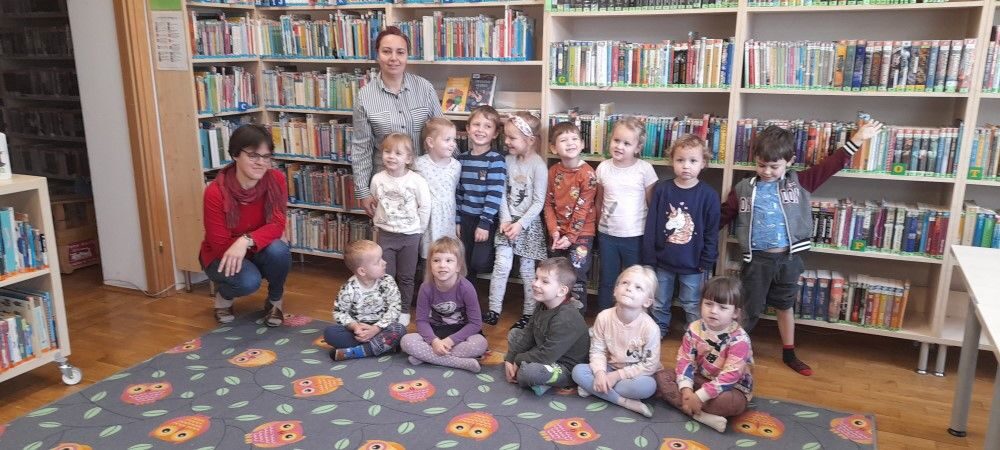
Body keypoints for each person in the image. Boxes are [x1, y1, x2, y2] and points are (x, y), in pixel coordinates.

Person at [720, 119, 883, 376]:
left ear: (789, 162)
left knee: (785, 305)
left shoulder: (800, 183)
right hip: (757, 261)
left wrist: (858, 138)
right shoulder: (743, 188)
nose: (767, 171)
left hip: (789, 259)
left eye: (774, 166)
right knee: (749, 309)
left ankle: (789, 353)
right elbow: (724, 215)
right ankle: (733, 351)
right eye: (761, 165)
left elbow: (832, 165)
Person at [200, 124, 290, 327]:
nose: (261, 163)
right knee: (249, 281)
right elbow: (219, 245)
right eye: (253, 156)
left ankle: (275, 301)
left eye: (266, 157)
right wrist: (252, 241)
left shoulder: (276, 179)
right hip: (222, 255)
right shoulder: (215, 192)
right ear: (235, 155)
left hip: (254, 248)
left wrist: (246, 240)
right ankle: (224, 296)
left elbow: (277, 224)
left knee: (279, 250)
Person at [351, 26, 443, 217]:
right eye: (386, 51)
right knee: (390, 232)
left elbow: (441, 134)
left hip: (426, 181)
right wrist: (364, 192)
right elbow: (361, 148)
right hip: (387, 185)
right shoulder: (365, 97)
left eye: (400, 52)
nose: (393, 58)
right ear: (378, 55)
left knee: (425, 233)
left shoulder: (424, 88)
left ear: (407, 56)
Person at [642, 134, 720, 338]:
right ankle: (659, 330)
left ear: (703, 163)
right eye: (680, 160)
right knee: (659, 301)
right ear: (672, 161)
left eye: (693, 161)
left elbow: (712, 231)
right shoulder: (662, 190)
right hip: (663, 261)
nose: (686, 166)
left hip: (693, 264)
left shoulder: (709, 195)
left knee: (692, 302)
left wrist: (707, 259)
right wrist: (649, 256)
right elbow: (652, 224)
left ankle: (694, 335)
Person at [654, 276, 753, 433]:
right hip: (700, 378)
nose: (713, 311)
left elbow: (730, 377)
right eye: (708, 304)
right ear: (701, 304)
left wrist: (699, 396)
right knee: (661, 377)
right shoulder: (694, 328)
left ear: (735, 313)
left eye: (722, 307)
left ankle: (690, 405)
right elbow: (685, 360)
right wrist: (686, 390)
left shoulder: (739, 339)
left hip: (731, 388)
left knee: (725, 403)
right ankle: (699, 415)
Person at [572, 265, 661, 418]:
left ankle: (597, 389)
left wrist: (616, 376)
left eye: (638, 287)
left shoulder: (650, 328)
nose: (629, 288)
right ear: (615, 290)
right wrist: (600, 373)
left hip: (635, 375)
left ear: (647, 302)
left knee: (648, 387)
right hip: (609, 367)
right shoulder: (604, 317)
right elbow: (597, 350)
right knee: (578, 371)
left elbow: (649, 365)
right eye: (625, 283)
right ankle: (623, 401)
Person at [485, 112, 547, 328]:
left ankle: (529, 313)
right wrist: (505, 219)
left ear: (530, 140)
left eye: (513, 138)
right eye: (506, 136)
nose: (507, 141)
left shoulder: (539, 166)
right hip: (507, 222)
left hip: (527, 225)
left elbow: (538, 202)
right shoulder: (507, 161)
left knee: (527, 271)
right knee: (501, 266)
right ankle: (493, 309)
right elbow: (500, 193)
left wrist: (520, 224)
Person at [594, 117, 658, 311]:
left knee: (636, 280)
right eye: (616, 140)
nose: (619, 146)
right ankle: (604, 317)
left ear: (637, 148)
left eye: (627, 143)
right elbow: (599, 201)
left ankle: (636, 317)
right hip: (608, 236)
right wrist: (598, 228)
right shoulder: (603, 168)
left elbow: (651, 205)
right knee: (608, 279)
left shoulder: (645, 169)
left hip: (635, 236)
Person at [504, 257, 590, 396]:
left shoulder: (566, 317)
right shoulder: (543, 304)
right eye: (536, 278)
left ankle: (544, 380)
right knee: (514, 334)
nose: (535, 284)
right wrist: (510, 358)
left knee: (528, 373)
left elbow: (546, 356)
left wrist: (518, 359)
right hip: (545, 351)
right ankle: (540, 381)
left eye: (544, 281)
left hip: (563, 366)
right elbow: (528, 333)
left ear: (561, 291)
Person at [370, 133, 431, 326]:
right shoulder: (377, 179)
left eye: (398, 153)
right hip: (386, 235)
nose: (391, 156)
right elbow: (375, 202)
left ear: (408, 158)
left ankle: (404, 309)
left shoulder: (417, 181)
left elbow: (425, 206)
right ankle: (389, 308)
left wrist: (419, 230)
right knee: (385, 276)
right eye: (387, 151)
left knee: (406, 276)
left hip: (410, 236)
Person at [400, 237, 487, 373]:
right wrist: (434, 342)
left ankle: (426, 357)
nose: (442, 265)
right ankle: (460, 363)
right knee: (406, 341)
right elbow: (421, 321)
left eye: (448, 260)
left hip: (461, 334)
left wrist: (449, 341)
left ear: (458, 266)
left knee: (480, 343)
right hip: (436, 332)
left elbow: (476, 324)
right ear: (430, 265)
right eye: (436, 260)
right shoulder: (425, 288)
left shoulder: (467, 288)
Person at [544, 122, 598, 312]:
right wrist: (554, 231)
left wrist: (570, 237)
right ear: (553, 148)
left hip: (581, 234)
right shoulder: (553, 171)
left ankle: (575, 318)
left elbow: (583, 208)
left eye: (574, 138)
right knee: (554, 274)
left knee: (577, 275)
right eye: (564, 140)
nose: (570, 143)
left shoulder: (588, 174)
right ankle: (554, 313)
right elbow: (548, 204)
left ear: (582, 144)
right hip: (558, 234)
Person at [324, 240, 407, 361]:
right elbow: (339, 312)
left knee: (400, 329)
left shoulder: (388, 281)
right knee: (330, 333)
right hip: (359, 332)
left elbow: (395, 308)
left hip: (382, 328)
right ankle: (383, 347)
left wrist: (376, 329)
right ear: (362, 271)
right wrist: (355, 327)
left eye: (382, 258)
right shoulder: (349, 288)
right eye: (378, 262)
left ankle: (360, 351)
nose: (384, 262)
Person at [455, 105, 506, 281]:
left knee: (479, 262)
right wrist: (457, 221)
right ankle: (468, 294)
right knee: (464, 263)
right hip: (465, 218)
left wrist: (484, 223)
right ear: (468, 128)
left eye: (487, 126)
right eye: (476, 125)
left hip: (486, 219)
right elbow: (459, 192)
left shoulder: (496, 160)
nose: (480, 130)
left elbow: (495, 193)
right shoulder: (461, 159)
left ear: (495, 133)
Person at [414, 117, 462, 260]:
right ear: (430, 142)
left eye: (454, 140)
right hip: (428, 218)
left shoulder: (456, 166)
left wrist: (458, 221)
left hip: (448, 218)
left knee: (447, 254)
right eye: (447, 140)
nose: (453, 144)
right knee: (428, 256)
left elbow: (456, 192)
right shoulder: (419, 164)